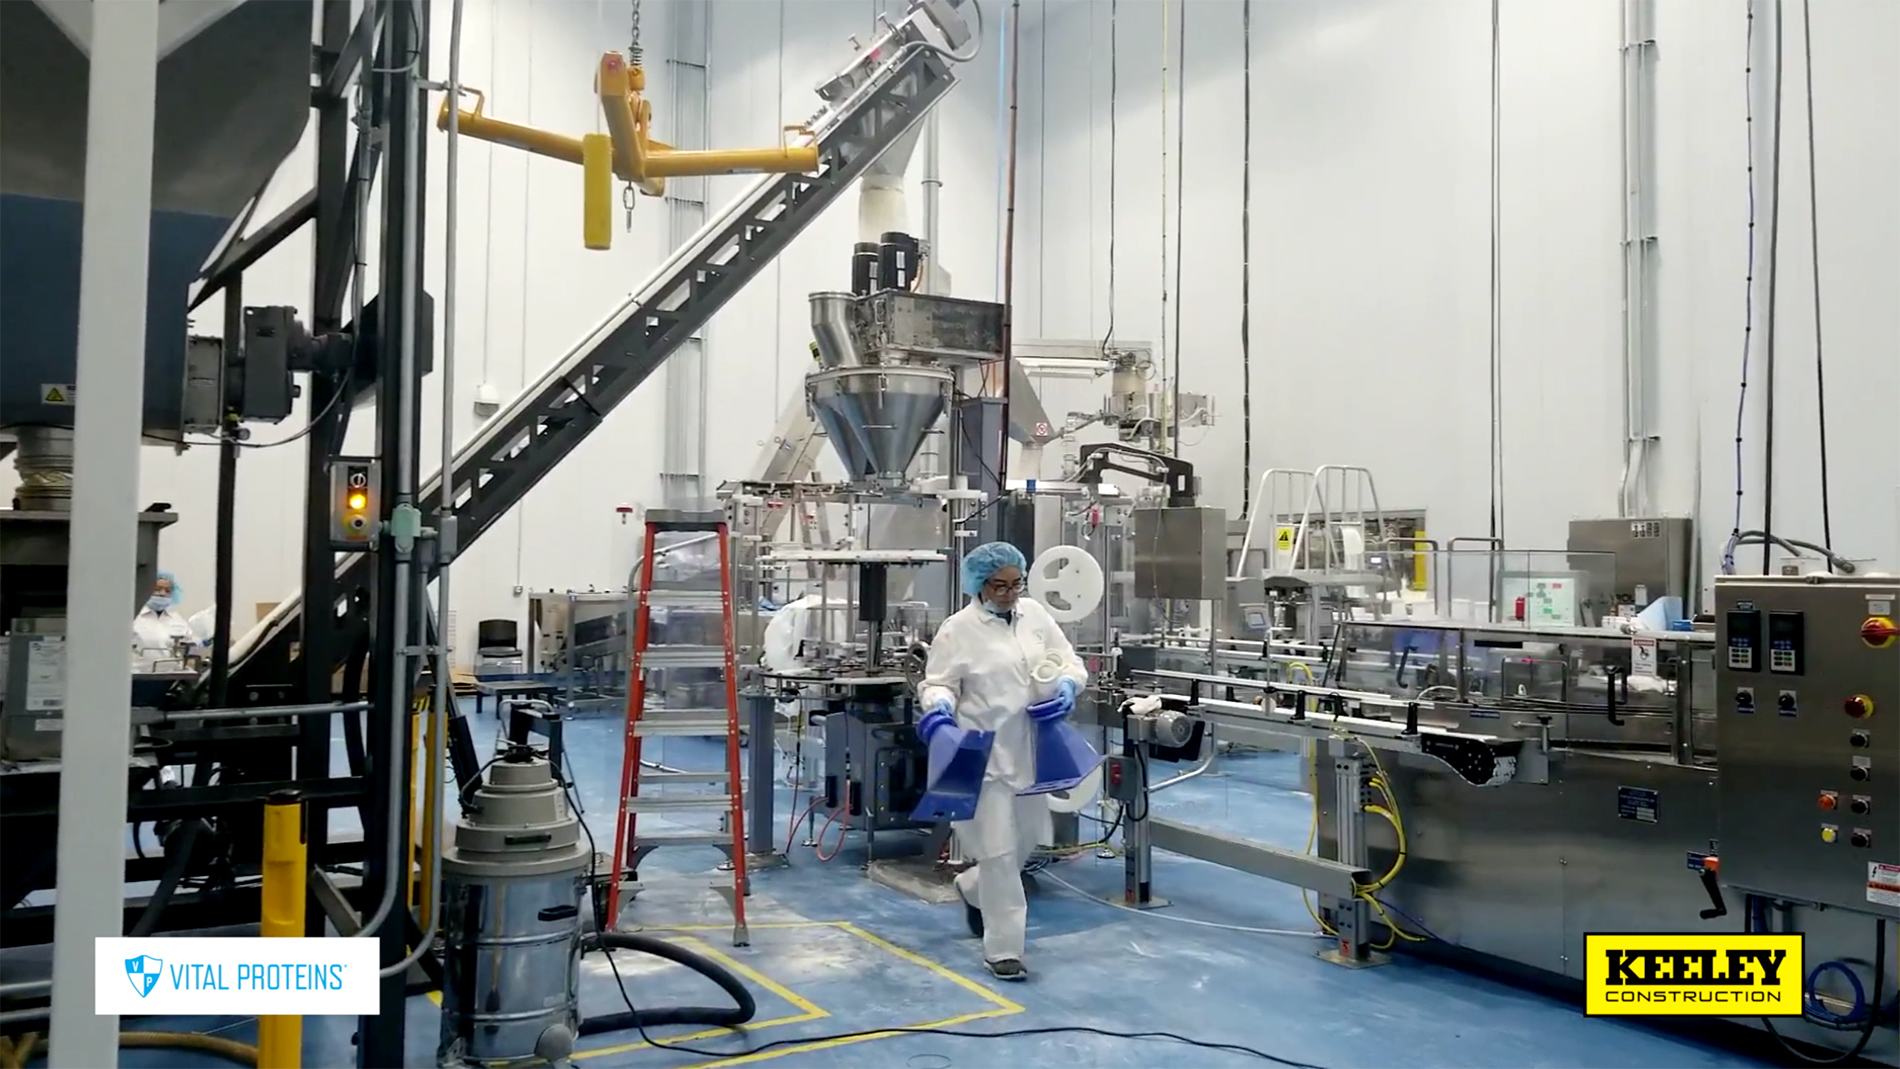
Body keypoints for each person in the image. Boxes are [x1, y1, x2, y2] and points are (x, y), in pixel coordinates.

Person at [917, 541, 1087, 981]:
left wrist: (1069, 685)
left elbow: (1067, 660)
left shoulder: (1036, 616)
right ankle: (1004, 949)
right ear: (980, 584)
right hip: (984, 755)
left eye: (1017, 584)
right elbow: (939, 683)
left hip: (1033, 750)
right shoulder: (959, 630)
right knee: (998, 852)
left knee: (1028, 841)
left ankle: (972, 888)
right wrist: (937, 708)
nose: (1011, 593)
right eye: (1000, 585)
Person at [132, 571, 195, 668]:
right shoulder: (134, 617)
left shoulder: (177, 619)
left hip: (172, 675)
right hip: (139, 675)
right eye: (157, 589)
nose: (162, 594)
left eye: (168, 591)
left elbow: (188, 641)